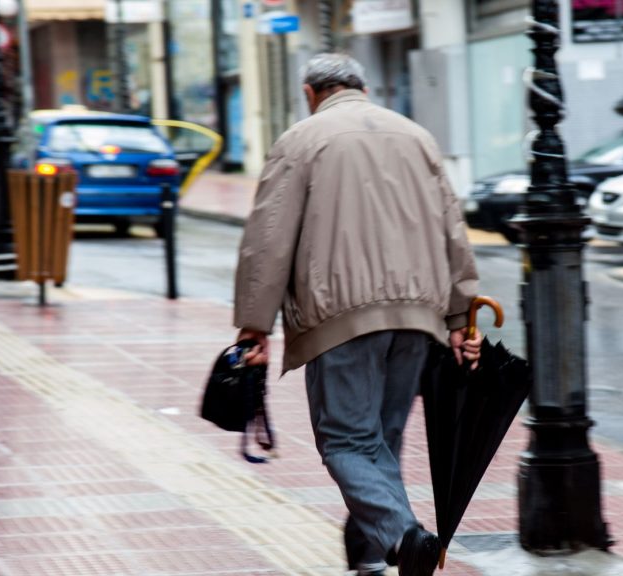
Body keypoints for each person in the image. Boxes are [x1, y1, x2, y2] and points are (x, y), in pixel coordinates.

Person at [233, 53, 482, 576]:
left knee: (346, 439)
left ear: (310, 92)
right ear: (362, 87)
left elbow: (267, 243)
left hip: (339, 314)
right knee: (381, 439)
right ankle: (370, 555)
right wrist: (461, 317)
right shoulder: (417, 137)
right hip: (418, 315)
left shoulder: (301, 140)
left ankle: (401, 539)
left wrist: (255, 326)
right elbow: (453, 233)